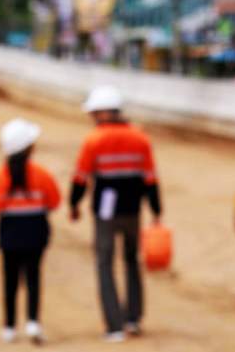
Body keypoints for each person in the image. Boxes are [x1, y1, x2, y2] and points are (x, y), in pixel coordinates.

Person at [69, 86, 161, 342]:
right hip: (132, 210)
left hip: (105, 214)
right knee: (132, 261)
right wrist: (156, 209)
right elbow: (150, 178)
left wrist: (74, 204)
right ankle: (134, 319)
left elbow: (80, 177)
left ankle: (114, 325)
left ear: (103, 112)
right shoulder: (140, 138)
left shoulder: (94, 140)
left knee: (105, 264)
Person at [0, 118, 62, 345]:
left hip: (9, 235)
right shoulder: (41, 174)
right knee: (33, 278)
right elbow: (54, 201)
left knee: (10, 280)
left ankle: (9, 327)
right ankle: (32, 323)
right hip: (36, 233)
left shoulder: (0, 176)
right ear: (29, 148)